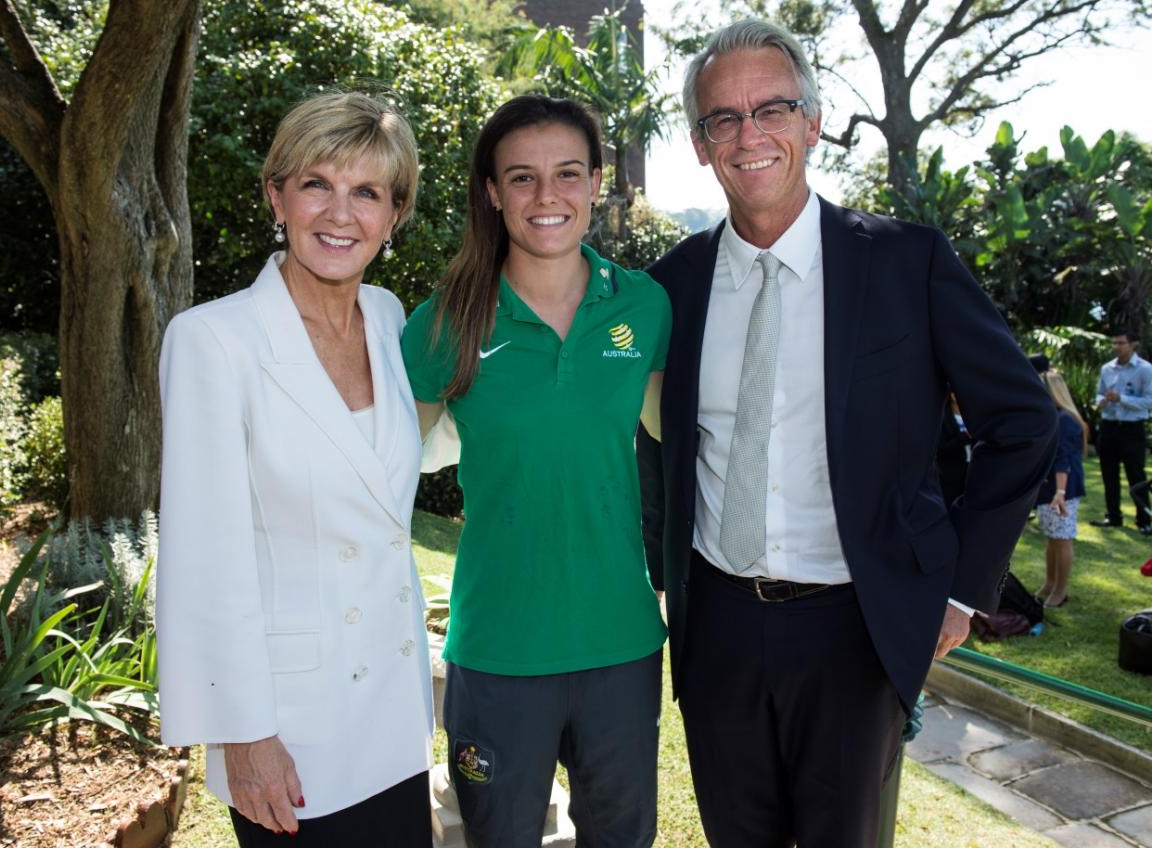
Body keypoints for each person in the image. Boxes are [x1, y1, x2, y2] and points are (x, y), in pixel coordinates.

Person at [635, 20, 1056, 848]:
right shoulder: (668, 289)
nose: (749, 135)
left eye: (773, 109)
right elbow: (652, 446)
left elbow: (1023, 422)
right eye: (723, 118)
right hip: (716, 626)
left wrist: (964, 587)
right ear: (698, 143)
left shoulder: (909, 263)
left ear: (813, 122)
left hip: (858, 629)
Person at [156, 92, 433, 846]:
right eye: (317, 184)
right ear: (275, 196)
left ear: (393, 214)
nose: (340, 213)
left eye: (366, 192)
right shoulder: (212, 340)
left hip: (393, 715)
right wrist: (241, 736)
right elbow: (202, 558)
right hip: (291, 735)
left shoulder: (387, 316)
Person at [401, 94, 669, 847]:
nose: (546, 196)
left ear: (594, 184)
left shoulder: (643, 307)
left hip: (621, 646)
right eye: (521, 177)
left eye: (568, 174)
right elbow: (375, 477)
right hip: (497, 651)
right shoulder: (446, 319)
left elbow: (690, 452)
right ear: (492, 192)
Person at [1090, 330, 1152, 533]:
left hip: (1132, 428)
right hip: (1109, 426)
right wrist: (1102, 401)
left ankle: (1144, 520)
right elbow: (1099, 394)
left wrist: (1122, 399)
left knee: (1136, 475)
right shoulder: (1107, 369)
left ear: (1132, 344)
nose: (1116, 346)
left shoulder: (1145, 369)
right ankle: (1113, 516)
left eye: (1121, 343)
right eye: (1113, 343)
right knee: (1109, 473)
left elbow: (1149, 402)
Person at [1035, 370, 1088, 608]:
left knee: (1062, 538)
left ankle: (1059, 590)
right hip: (1049, 487)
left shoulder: (1064, 420)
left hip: (1060, 489)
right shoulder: (1055, 416)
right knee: (1052, 538)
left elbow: (1063, 458)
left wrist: (1060, 493)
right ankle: (1049, 583)